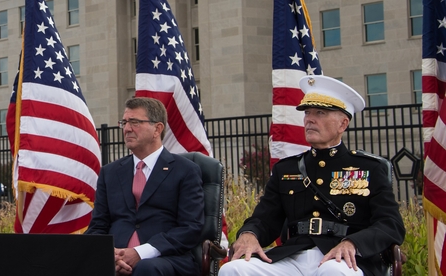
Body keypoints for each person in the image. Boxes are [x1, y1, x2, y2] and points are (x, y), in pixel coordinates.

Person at [221, 75, 405, 276]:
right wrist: (250, 234)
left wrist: (354, 243)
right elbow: (266, 219)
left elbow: (390, 224)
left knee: (334, 272)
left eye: (320, 113)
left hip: (345, 259)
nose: (309, 119)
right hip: (293, 257)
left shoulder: (369, 168)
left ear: (343, 124)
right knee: (234, 269)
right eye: (307, 112)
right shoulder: (287, 169)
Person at [86, 97, 204, 276]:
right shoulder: (109, 173)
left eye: (134, 122)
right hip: (116, 257)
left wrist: (141, 253)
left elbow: (190, 227)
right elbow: (98, 226)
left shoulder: (185, 171)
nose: (126, 129)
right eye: (124, 122)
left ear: (157, 129)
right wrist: (111, 256)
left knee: (146, 268)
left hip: (165, 258)